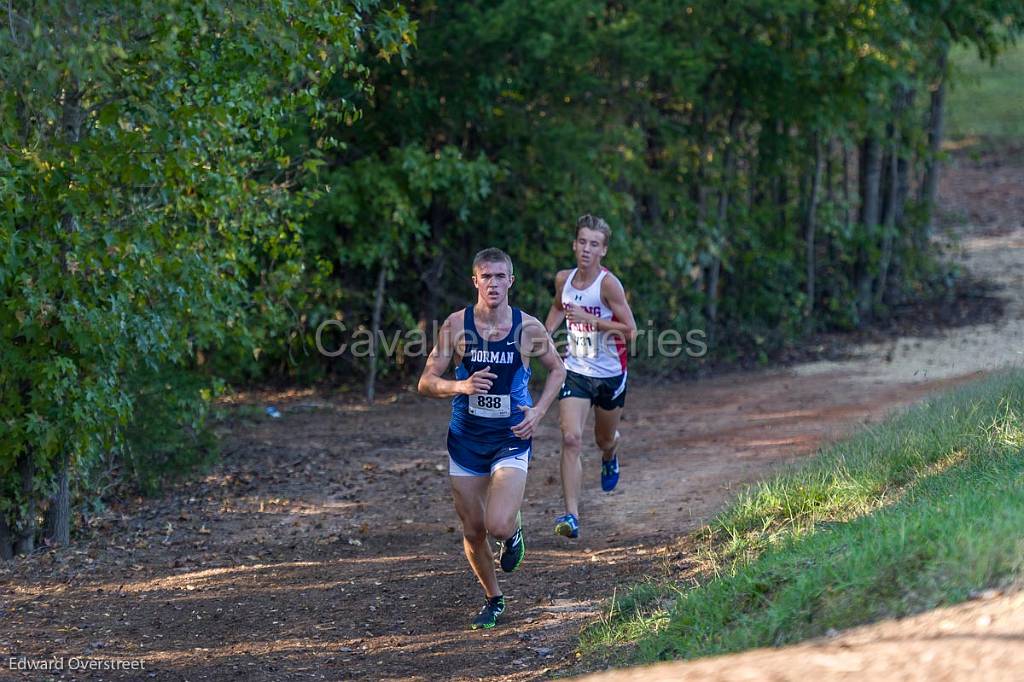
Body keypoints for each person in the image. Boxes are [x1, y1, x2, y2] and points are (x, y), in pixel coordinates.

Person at [418, 247, 565, 630]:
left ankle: (513, 530)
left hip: (511, 436)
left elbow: (557, 371)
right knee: (472, 530)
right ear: (475, 281)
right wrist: (461, 385)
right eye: (487, 276)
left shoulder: (527, 327)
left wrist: (539, 411)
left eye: (501, 276)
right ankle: (493, 598)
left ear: (510, 281)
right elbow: (426, 382)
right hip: (466, 439)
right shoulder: (456, 325)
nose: (494, 283)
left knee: (496, 525)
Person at [545, 214, 637, 540]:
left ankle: (610, 456)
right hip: (576, 371)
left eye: (594, 244)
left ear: (604, 250)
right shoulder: (564, 280)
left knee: (604, 439)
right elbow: (559, 306)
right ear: (574, 245)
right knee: (570, 438)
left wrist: (592, 320)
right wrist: (545, 334)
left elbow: (631, 332)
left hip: (611, 374)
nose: (586, 249)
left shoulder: (609, 285)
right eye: (582, 242)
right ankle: (571, 516)